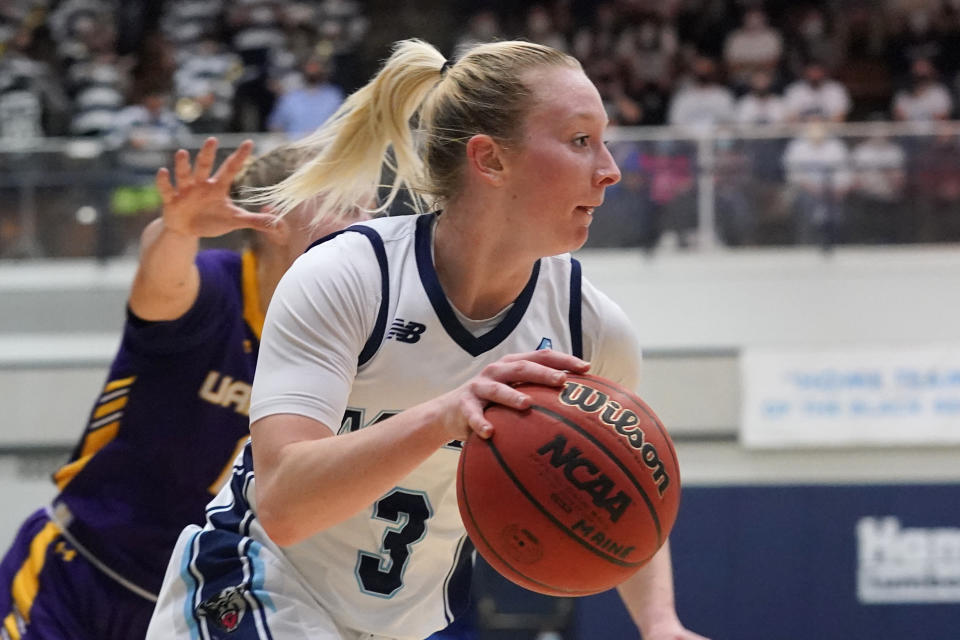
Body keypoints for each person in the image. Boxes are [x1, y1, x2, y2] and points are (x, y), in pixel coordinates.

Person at [147, 39, 708, 640]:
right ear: (490, 160)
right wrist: (445, 414)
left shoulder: (591, 330)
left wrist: (660, 623)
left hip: (400, 625)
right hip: (255, 584)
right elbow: (281, 502)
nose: (610, 169)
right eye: (579, 141)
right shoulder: (352, 276)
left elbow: (621, 490)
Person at [0, 138, 363, 639]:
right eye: (343, 205)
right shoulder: (216, 289)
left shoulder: (350, 335)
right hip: (81, 572)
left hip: (193, 606)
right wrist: (176, 231)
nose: (364, 219)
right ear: (275, 217)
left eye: (368, 206)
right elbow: (161, 284)